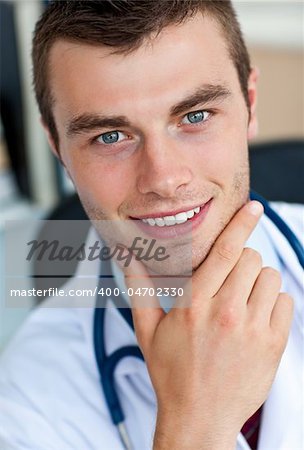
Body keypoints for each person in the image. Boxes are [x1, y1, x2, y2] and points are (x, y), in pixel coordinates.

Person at [0, 1, 303, 449]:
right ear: (58, 147)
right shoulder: (26, 403)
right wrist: (194, 425)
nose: (163, 178)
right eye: (110, 137)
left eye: (195, 116)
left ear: (250, 103)